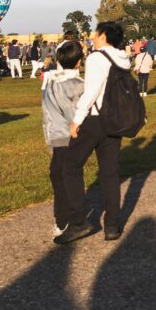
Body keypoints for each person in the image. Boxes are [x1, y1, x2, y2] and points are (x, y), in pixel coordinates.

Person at [58, 21, 132, 244]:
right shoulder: (123, 58)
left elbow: (92, 91)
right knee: (110, 173)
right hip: (114, 121)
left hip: (96, 118)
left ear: (104, 36)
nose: (92, 36)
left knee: (70, 165)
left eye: (95, 33)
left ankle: (79, 222)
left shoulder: (96, 58)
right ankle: (112, 225)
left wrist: (77, 119)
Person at [42, 40, 86, 238]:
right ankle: (67, 220)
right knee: (66, 180)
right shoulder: (77, 85)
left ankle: (62, 220)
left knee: (58, 178)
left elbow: (46, 115)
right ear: (78, 62)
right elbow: (76, 115)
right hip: (69, 137)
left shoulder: (49, 82)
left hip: (54, 135)